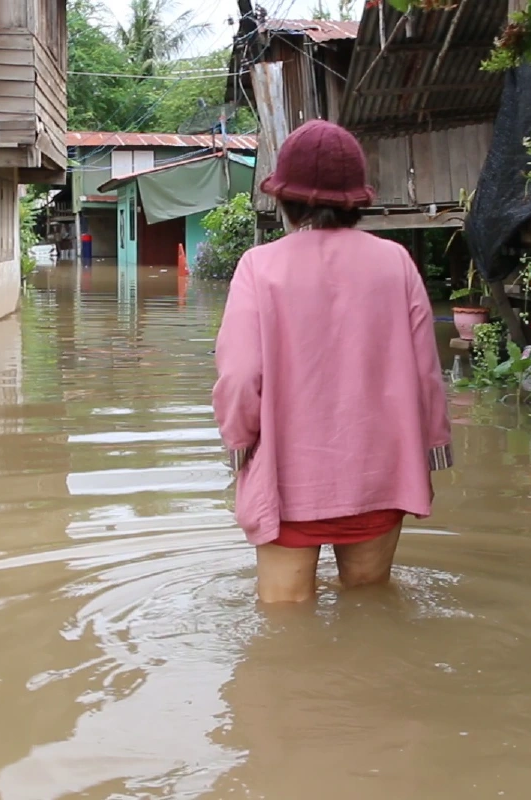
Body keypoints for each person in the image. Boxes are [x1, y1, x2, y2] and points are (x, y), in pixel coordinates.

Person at [212, 120, 453, 604]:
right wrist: (431, 451)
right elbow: (427, 375)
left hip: (288, 479)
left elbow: (240, 377)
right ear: (357, 199)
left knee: (282, 623)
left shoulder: (260, 267)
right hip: (379, 473)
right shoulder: (397, 263)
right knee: (369, 608)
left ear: (284, 197)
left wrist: (239, 444)